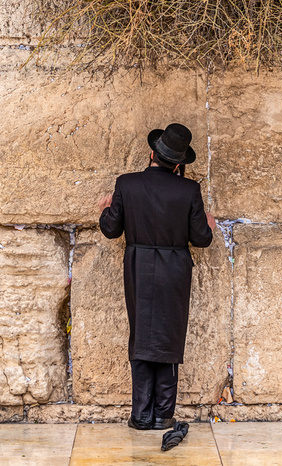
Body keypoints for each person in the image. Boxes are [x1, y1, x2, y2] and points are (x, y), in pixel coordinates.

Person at [98, 123, 216, 430]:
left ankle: (140, 415)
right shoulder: (189, 190)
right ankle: (163, 414)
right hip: (174, 270)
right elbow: (201, 238)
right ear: (179, 164)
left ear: (152, 153)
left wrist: (104, 209)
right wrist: (210, 224)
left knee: (141, 336)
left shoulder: (126, 184)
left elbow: (111, 229)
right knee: (168, 337)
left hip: (138, 265)